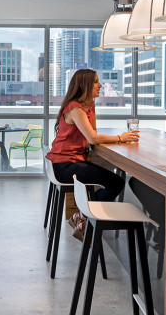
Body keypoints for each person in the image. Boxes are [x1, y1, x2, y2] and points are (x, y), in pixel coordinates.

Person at [46, 68, 139, 239]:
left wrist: (91, 107)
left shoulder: (88, 106)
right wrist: (120, 138)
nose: (100, 85)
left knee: (112, 180)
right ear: (83, 85)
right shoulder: (74, 107)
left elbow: (92, 133)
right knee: (116, 182)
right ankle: (84, 218)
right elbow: (93, 138)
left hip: (71, 161)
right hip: (64, 164)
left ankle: (81, 217)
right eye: (96, 81)